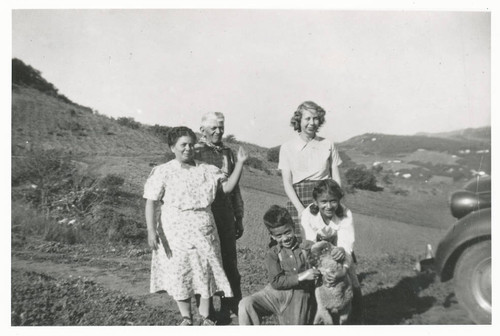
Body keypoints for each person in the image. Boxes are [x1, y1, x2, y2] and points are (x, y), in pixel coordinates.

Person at [143, 126, 248, 326]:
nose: (188, 149)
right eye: (183, 145)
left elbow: (226, 188)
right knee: (180, 271)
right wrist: (150, 230)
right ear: (172, 147)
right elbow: (151, 201)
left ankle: (206, 316)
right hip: (174, 231)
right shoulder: (163, 171)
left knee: (204, 271)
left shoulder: (206, 170)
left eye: (191, 144)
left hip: (203, 229)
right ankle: (186, 317)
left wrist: (240, 164)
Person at [194, 112, 244, 321]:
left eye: (221, 127)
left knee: (229, 260)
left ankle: (231, 306)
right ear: (202, 130)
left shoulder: (228, 152)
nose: (218, 131)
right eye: (213, 128)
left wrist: (239, 216)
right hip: (203, 211)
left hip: (225, 212)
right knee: (203, 260)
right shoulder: (194, 151)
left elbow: (235, 187)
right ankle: (205, 311)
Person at [238, 205, 322, 325]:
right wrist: (302, 276)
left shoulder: (307, 246)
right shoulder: (273, 253)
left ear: (293, 227)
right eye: (279, 236)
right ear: (272, 236)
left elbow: (326, 259)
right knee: (246, 303)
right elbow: (276, 282)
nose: (285, 238)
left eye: (288, 232)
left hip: (300, 295)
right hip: (275, 294)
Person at [300, 179, 363, 324]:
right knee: (315, 285)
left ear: (339, 200)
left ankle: (357, 319)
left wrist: (344, 266)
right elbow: (311, 248)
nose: (329, 206)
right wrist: (321, 271)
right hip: (317, 256)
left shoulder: (345, 214)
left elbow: (347, 243)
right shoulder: (307, 215)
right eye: (323, 201)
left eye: (333, 201)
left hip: (340, 253)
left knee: (352, 281)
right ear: (315, 201)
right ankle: (314, 316)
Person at [278, 101, 342, 242]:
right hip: (298, 200)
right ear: (299, 120)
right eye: (307, 118)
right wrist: (301, 210)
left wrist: (334, 203)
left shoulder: (328, 144)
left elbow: (336, 179)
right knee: (302, 246)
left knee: (328, 245)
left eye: (315, 118)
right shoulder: (287, 147)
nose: (312, 123)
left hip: (324, 199)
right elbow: (287, 183)